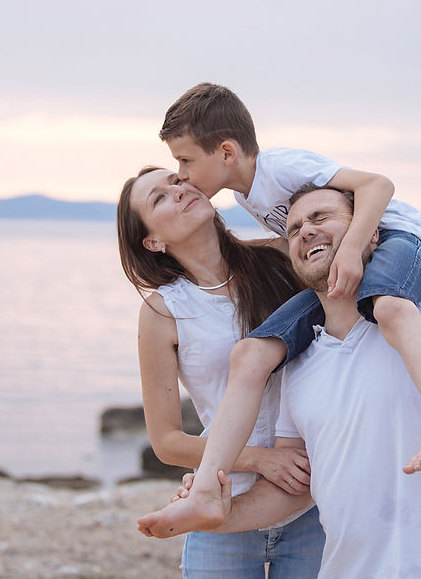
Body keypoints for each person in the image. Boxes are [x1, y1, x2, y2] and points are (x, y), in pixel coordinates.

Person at [146, 82, 421, 534]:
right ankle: (207, 494)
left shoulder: (281, 166)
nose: (183, 175)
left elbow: (378, 185)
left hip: (392, 239)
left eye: (185, 161)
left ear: (227, 152)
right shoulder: (244, 196)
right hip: (345, 258)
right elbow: (282, 243)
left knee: (389, 307)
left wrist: (350, 248)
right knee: (248, 355)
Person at [140, 184, 421, 578]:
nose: (306, 231)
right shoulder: (294, 365)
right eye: (293, 230)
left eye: (321, 217)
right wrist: (219, 515)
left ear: (371, 232)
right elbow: (293, 485)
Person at [118, 166, 324, 577]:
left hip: (312, 499)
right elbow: (167, 442)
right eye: (158, 198)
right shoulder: (163, 311)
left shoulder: (281, 258)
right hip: (223, 505)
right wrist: (262, 460)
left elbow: (366, 270)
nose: (178, 191)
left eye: (176, 181)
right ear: (153, 241)